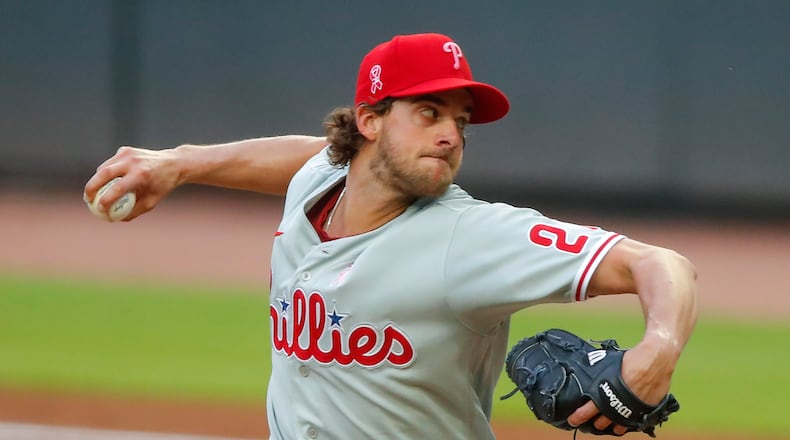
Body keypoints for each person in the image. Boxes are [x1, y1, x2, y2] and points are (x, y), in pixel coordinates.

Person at [84, 33, 698, 439]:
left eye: (459, 121)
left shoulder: (470, 237)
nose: (451, 135)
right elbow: (306, 158)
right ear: (369, 123)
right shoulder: (320, 181)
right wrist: (180, 162)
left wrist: (659, 349)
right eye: (429, 113)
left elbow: (659, 262)